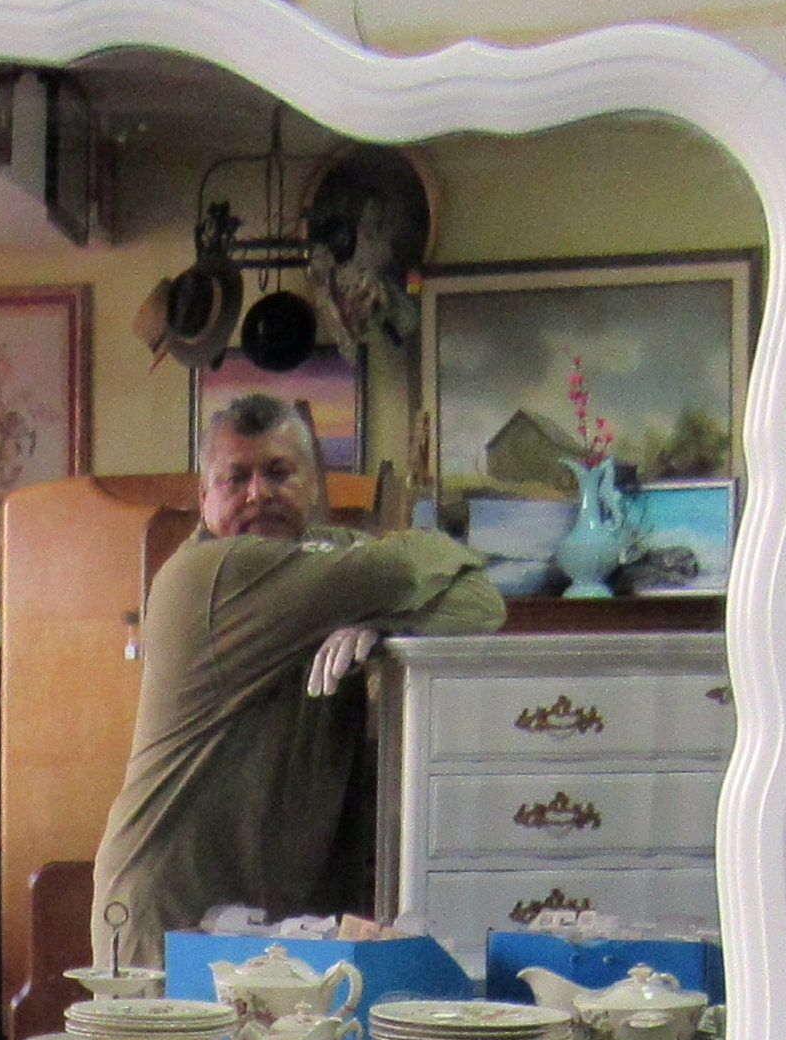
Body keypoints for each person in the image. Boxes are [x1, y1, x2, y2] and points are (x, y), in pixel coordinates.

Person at [91, 394, 505, 963]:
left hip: (272, 913)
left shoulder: (322, 558)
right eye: (235, 478)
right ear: (203, 496)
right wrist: (433, 552)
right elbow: (406, 566)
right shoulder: (214, 572)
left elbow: (484, 604)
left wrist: (384, 626)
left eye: (279, 473)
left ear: (316, 484)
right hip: (172, 911)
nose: (258, 493)